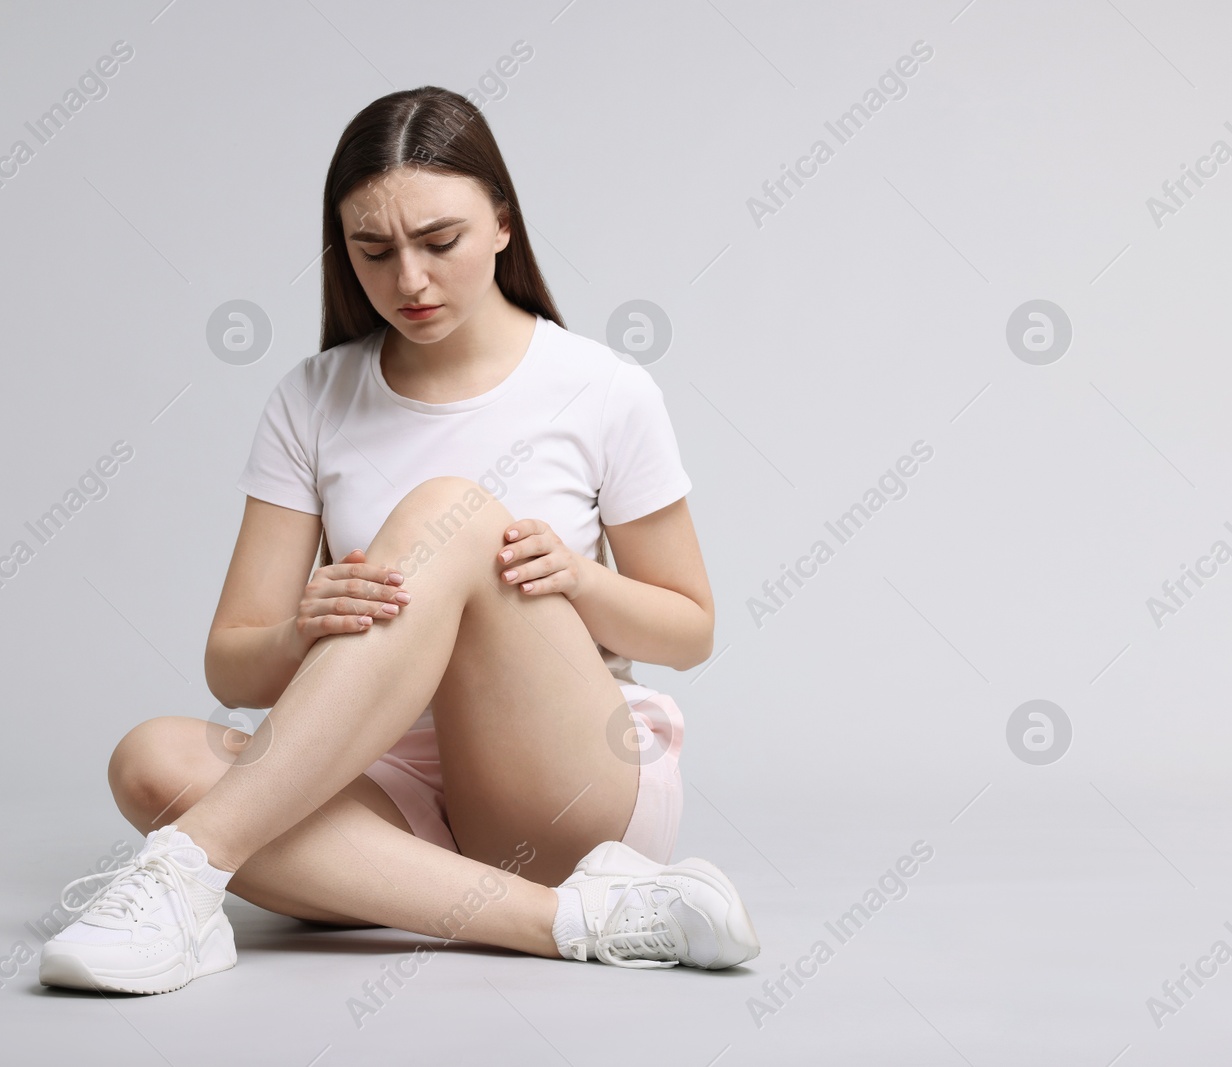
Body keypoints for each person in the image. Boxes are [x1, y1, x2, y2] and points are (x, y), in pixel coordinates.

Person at [37, 86, 760, 995]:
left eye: (440, 242)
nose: (409, 281)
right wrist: (306, 630)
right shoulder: (314, 398)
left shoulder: (604, 388)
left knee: (447, 510)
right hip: (386, 792)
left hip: (562, 781)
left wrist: (577, 581)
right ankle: (586, 917)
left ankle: (185, 871)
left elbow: (690, 630)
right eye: (373, 252)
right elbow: (232, 668)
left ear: (502, 222)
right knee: (150, 760)